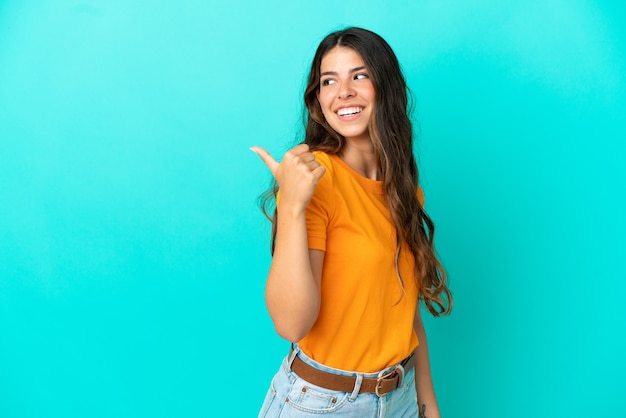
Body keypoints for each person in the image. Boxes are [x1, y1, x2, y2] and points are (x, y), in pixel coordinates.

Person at [250, 27, 452, 418]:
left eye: (359, 75)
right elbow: (292, 324)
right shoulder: (316, 183)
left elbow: (404, 310)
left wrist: (428, 405)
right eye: (329, 81)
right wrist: (291, 206)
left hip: (400, 397)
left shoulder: (404, 192)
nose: (343, 92)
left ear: (385, 86)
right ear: (318, 99)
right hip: (323, 404)